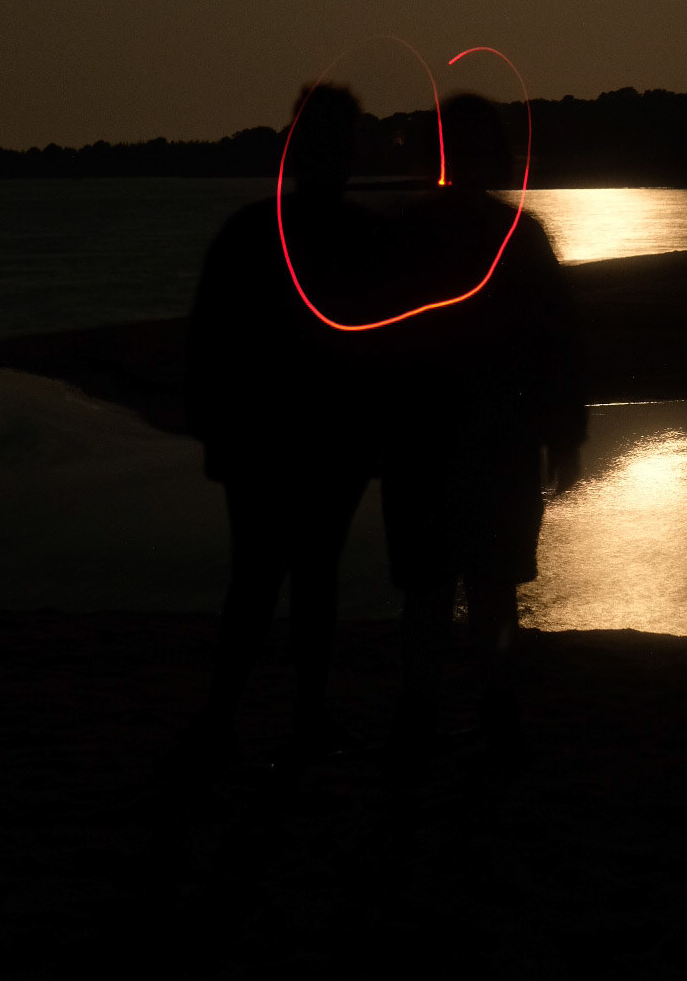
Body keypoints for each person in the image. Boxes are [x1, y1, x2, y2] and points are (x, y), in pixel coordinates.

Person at [181, 82, 389, 769]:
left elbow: (208, 342)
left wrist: (213, 430)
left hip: (276, 438)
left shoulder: (252, 231)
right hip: (311, 439)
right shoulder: (359, 236)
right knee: (300, 577)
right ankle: (285, 718)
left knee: (265, 577)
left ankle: (235, 719)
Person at [381, 92, 586, 759]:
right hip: (493, 438)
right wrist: (563, 433)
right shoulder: (516, 235)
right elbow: (557, 340)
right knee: (486, 587)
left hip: (428, 440)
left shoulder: (409, 234)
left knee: (433, 590)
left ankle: (425, 717)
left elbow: (376, 346)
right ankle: (492, 714)